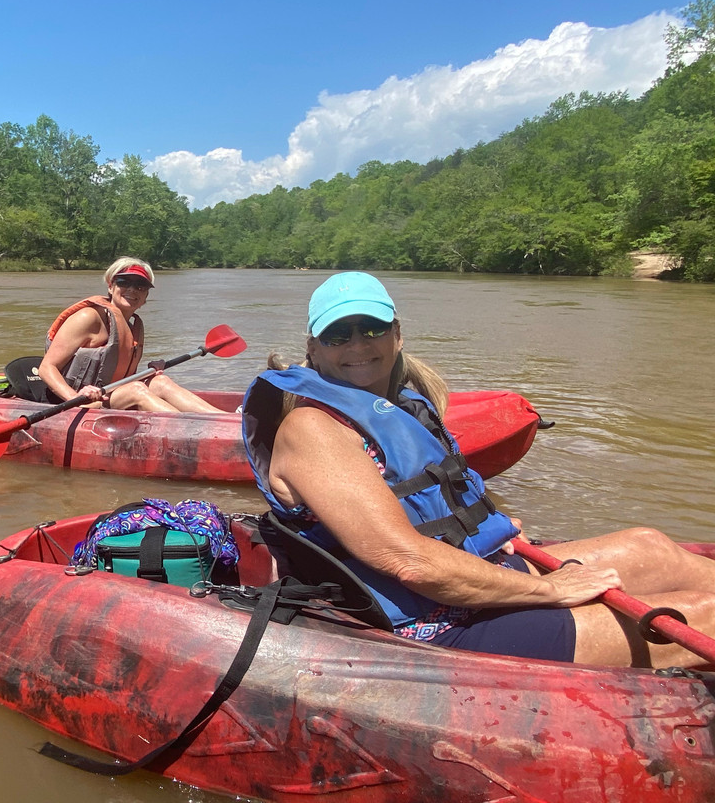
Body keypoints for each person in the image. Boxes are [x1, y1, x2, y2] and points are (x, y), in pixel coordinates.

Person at [242, 271, 715, 667]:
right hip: (427, 627)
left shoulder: (401, 406)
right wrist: (549, 590)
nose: (357, 343)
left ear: (397, 334)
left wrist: (486, 531)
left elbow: (437, 510)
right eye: (338, 334)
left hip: (475, 580)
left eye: (372, 328)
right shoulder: (312, 428)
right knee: (705, 614)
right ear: (315, 348)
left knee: (649, 545)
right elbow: (411, 561)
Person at [38, 257, 226, 413]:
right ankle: (193, 430)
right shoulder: (89, 317)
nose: (132, 289)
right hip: (72, 403)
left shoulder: (133, 328)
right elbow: (47, 367)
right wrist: (76, 397)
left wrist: (149, 371)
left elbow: (117, 377)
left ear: (145, 297)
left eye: (140, 286)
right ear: (111, 286)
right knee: (137, 390)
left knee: (159, 381)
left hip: (107, 397)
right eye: (124, 282)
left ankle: (226, 420)